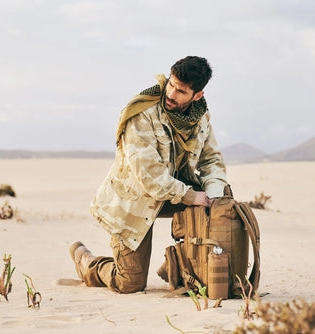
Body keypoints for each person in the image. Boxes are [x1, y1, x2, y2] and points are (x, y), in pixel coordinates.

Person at [70, 56, 227, 294]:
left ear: (197, 96)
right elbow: (149, 175)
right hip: (135, 202)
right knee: (129, 283)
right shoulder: (142, 114)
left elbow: (211, 160)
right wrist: (191, 196)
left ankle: (182, 266)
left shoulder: (200, 116)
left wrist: (214, 197)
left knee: (223, 201)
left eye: (181, 91)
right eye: (171, 84)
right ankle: (87, 263)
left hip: (174, 193)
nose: (171, 93)